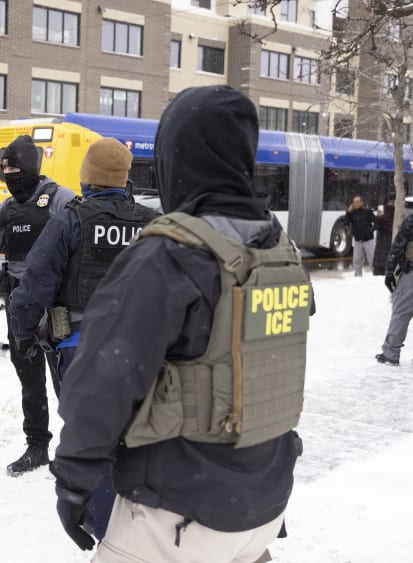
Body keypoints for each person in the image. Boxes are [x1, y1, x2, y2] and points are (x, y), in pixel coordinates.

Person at [52, 86, 308, 562]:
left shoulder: (167, 256)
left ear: (177, 157)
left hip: (178, 515)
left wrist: (73, 484)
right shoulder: (280, 252)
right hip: (265, 506)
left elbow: (101, 384)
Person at [9, 137, 159, 538]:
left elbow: (35, 283)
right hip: (141, 351)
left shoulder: (70, 220)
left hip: (81, 349)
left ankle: (105, 526)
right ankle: (142, 520)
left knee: (90, 437)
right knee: (137, 431)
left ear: (86, 176)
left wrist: (22, 330)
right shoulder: (150, 223)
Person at [0, 134, 76, 477]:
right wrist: (0, 224)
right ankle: (37, 446)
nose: (9, 174)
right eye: (5, 168)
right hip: (20, 304)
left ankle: (75, 447)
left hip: (55, 303)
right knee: (29, 377)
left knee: (65, 374)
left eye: (15, 167)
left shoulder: (59, 198)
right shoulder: (8, 207)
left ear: (32, 167)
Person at [376, 211, 413, 366]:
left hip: (412, 275)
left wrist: (389, 272)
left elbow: (398, 247)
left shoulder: (412, 221)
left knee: (400, 314)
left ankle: (390, 354)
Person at [344, 195, 377, 276]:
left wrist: (371, 230)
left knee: (372, 260)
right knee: (356, 261)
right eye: (354, 202)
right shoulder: (352, 213)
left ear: (362, 202)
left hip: (369, 240)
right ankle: (357, 277)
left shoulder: (368, 211)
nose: (356, 204)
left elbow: (376, 222)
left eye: (357, 202)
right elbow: (345, 222)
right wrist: (348, 212)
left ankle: (376, 276)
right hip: (357, 240)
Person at [373, 196, 395, 276]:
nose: (391, 205)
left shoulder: (386, 217)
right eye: (390, 202)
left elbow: (375, 227)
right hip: (384, 247)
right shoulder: (387, 217)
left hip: (383, 248)